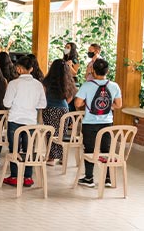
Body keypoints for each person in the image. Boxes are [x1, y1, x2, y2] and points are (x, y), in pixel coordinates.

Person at [75, 59, 122, 188]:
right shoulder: (114, 86)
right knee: (106, 150)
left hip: (89, 123)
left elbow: (78, 103)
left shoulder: (87, 85)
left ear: (93, 71)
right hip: (107, 123)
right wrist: (105, 108)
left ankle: (89, 178)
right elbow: (118, 105)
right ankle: (107, 178)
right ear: (107, 71)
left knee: (89, 150)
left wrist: (88, 104)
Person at [2, 56, 47, 187]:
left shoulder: (13, 84)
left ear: (18, 68)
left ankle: (15, 176)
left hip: (15, 120)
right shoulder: (38, 85)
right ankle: (28, 177)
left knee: (14, 148)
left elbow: (6, 103)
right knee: (29, 149)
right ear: (32, 69)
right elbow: (42, 105)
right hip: (30, 121)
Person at [42, 59, 77, 165]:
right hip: (64, 109)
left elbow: (43, 95)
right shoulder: (69, 80)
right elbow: (70, 97)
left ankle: (51, 157)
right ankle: (62, 157)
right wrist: (64, 103)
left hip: (49, 108)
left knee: (50, 133)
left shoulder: (46, 81)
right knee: (62, 133)